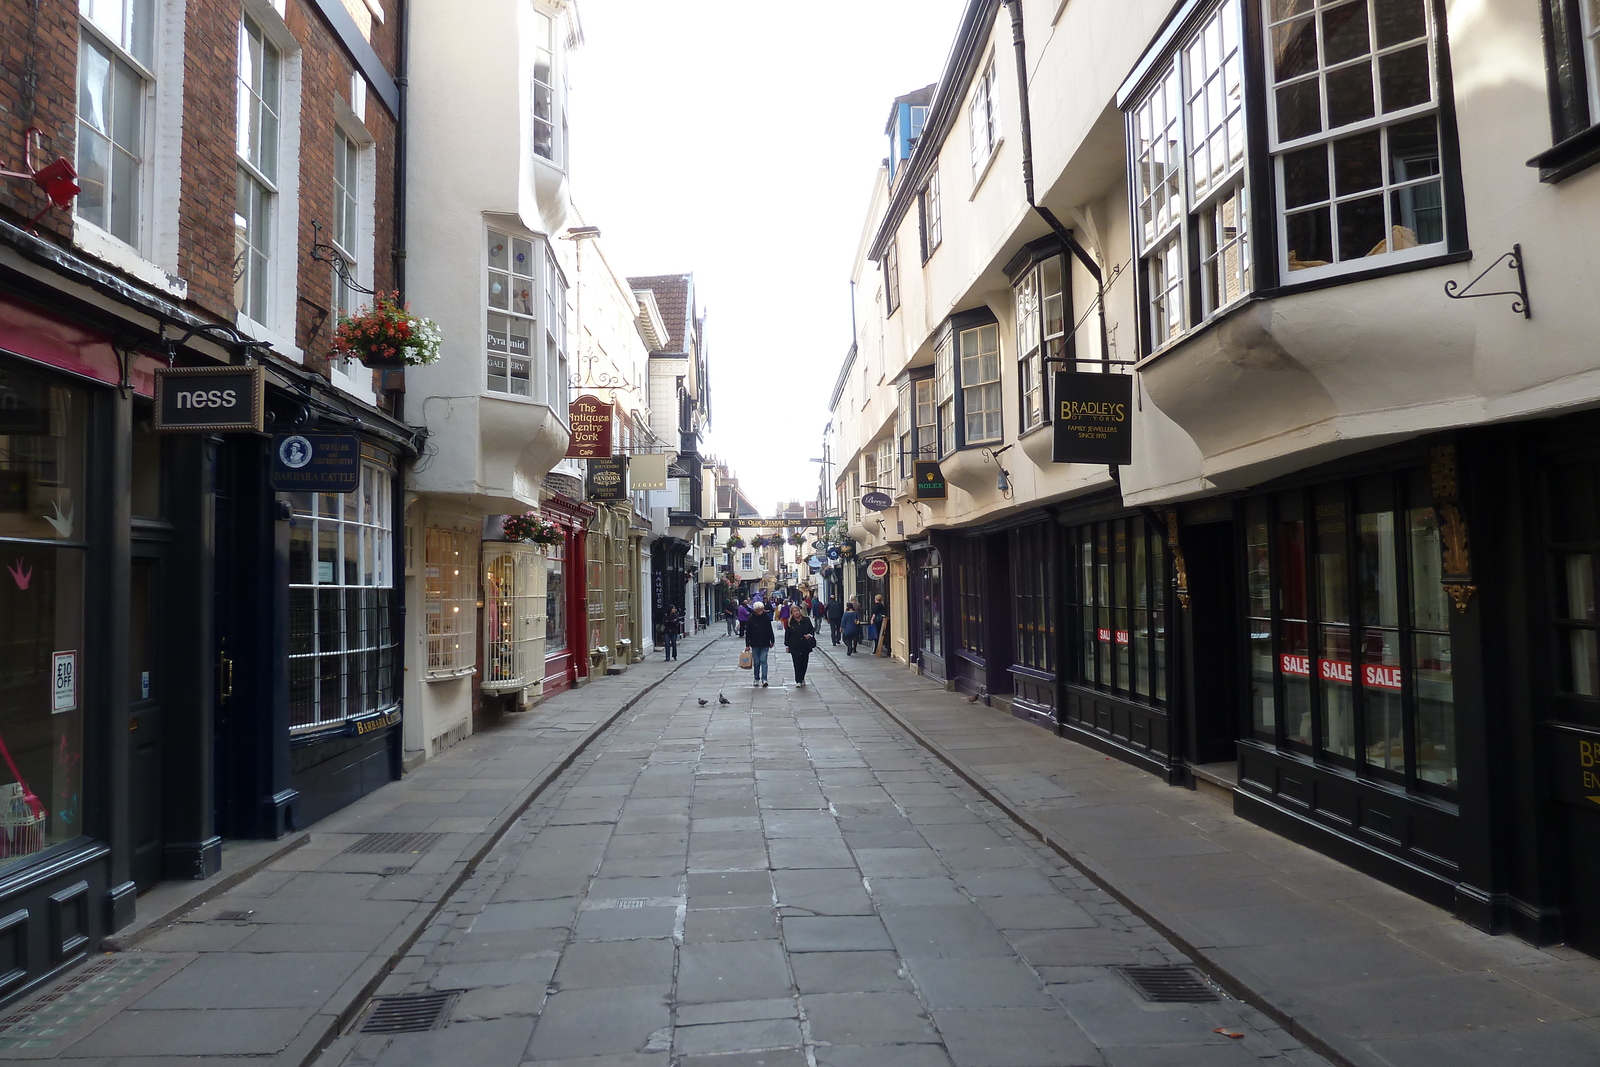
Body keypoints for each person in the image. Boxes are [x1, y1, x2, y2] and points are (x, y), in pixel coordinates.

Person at [744, 601, 776, 687]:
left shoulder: (766, 618)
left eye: (762, 609)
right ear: (756, 610)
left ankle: (764, 679)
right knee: (756, 662)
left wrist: (772, 640)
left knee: (763, 661)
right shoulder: (750, 619)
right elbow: (748, 633)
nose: (762, 611)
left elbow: (770, 629)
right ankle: (756, 678)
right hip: (755, 643)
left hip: (765, 642)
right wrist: (747, 645)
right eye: (760, 609)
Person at [785, 604, 817, 686]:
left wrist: (809, 635)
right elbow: (787, 635)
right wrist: (787, 646)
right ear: (792, 613)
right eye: (794, 611)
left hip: (805, 645)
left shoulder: (806, 620)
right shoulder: (790, 622)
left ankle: (802, 678)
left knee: (804, 663)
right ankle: (798, 680)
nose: (796, 613)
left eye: (797, 611)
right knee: (796, 663)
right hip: (794, 645)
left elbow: (811, 630)